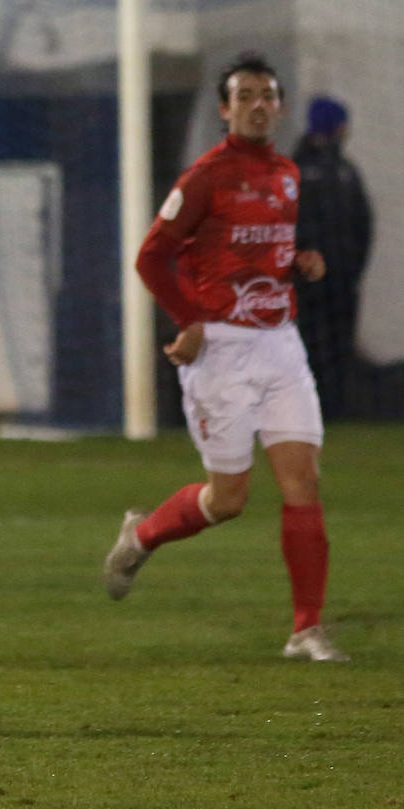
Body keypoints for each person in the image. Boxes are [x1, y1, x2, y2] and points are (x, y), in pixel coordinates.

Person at [107, 53, 348, 662]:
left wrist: (299, 263)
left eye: (267, 94)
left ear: (280, 105)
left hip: (279, 344)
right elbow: (151, 257)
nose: (258, 104)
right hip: (220, 350)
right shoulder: (205, 177)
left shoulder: (288, 174)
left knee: (303, 482)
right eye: (245, 96)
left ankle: (306, 629)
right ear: (225, 109)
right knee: (229, 499)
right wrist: (189, 319)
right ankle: (142, 535)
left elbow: (257, 252)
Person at [291, 95, 373, 421]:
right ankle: (314, 411)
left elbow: (363, 223)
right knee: (313, 345)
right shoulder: (305, 170)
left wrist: (352, 269)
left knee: (336, 344)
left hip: (340, 279)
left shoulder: (343, 170)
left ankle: (335, 411)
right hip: (311, 281)